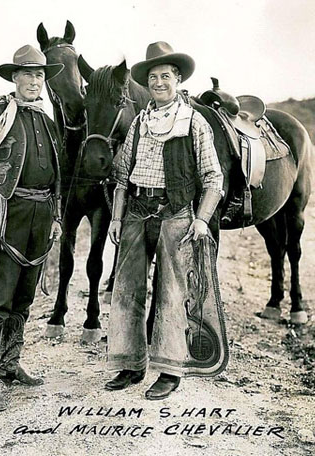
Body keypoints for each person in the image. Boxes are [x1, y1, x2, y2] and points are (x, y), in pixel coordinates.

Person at [105, 42, 224, 400]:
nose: (159, 82)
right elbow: (122, 175)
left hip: (176, 214)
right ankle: (130, 363)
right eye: (153, 77)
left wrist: (202, 220)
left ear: (177, 79)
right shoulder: (141, 122)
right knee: (127, 289)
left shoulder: (195, 122)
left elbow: (213, 178)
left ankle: (170, 370)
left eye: (166, 76)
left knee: (172, 292)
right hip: (137, 212)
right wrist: (116, 216)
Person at [0, 45, 64, 412]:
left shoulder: (47, 121)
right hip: (9, 214)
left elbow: (57, 176)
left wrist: (56, 218)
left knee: (23, 297)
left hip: (41, 216)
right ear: (14, 77)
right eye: (28, 74)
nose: (34, 81)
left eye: (40, 75)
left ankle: (9, 365)